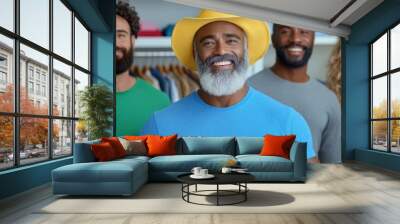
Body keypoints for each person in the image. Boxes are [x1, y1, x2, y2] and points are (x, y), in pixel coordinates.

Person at [141, 10, 317, 160]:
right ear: (195, 53)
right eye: (208, 43)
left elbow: (311, 193)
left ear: (246, 50)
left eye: (232, 40)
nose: (221, 51)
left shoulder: (288, 122)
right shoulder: (159, 125)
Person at [249, 24, 341, 163]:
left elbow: (331, 167)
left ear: (313, 38)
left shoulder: (329, 99)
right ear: (273, 38)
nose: (295, 39)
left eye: (304, 32)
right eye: (285, 31)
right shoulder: (247, 90)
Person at [115, 1, 170, 136]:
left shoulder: (160, 102)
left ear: (132, 40)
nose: (115, 43)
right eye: (109, 35)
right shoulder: (80, 101)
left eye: (121, 35)